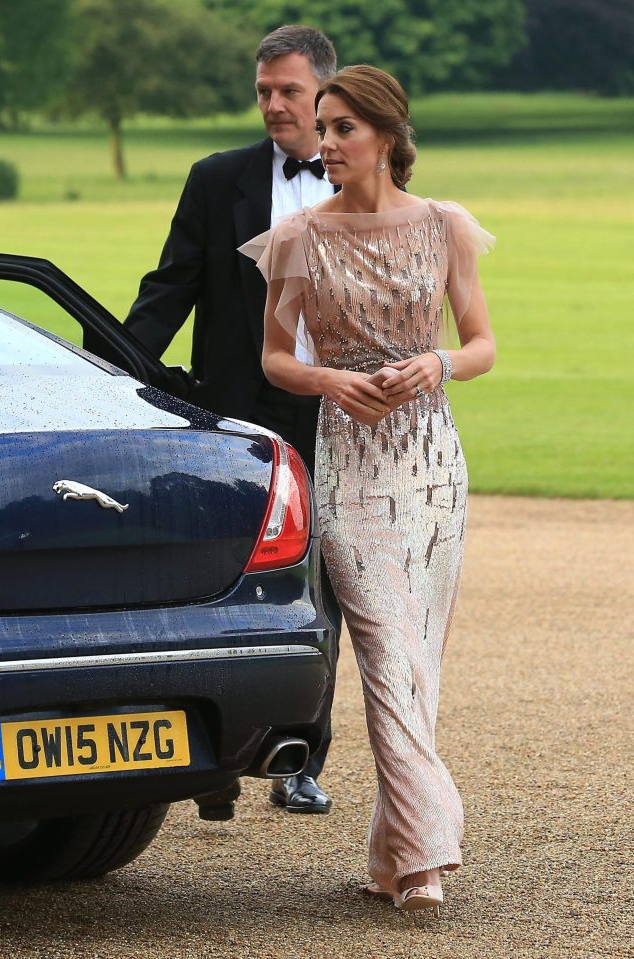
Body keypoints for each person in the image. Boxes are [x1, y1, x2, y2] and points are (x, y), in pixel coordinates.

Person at [240, 64, 495, 914]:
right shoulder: (297, 238)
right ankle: (428, 848)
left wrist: (438, 362)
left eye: (342, 127)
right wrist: (328, 384)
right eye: (323, 127)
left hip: (431, 466)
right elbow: (275, 357)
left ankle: (391, 858)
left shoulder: (445, 226)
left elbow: (481, 343)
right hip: (348, 462)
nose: (326, 142)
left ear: (386, 135)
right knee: (386, 648)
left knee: (418, 662)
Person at [124, 25, 341, 815]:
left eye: (288, 91)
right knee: (218, 579)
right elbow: (168, 290)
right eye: (263, 91)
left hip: (337, 415)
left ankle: (300, 757)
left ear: (326, 93)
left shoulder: (365, 178)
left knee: (322, 586)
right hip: (238, 415)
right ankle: (213, 763)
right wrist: (105, 373)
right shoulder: (216, 179)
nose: (272, 105)